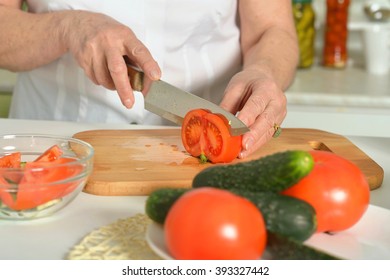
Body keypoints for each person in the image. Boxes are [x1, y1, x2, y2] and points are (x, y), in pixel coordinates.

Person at [0, 0, 299, 158]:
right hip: (49, 148)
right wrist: (67, 27)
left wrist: (266, 70)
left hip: (203, 155)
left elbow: (272, 30)